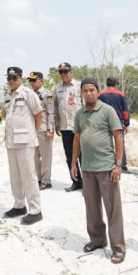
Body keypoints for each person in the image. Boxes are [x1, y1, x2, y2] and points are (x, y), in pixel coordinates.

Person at [71, 78, 126, 264]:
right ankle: (97, 240)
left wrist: (118, 164)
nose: (88, 93)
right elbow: (77, 139)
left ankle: (118, 248)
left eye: (92, 90)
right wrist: (73, 164)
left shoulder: (107, 111)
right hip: (87, 168)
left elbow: (118, 137)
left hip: (106, 168)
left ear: (98, 91)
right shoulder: (79, 114)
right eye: (85, 90)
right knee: (92, 207)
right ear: (81, 92)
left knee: (113, 210)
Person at [2, 67, 44, 225]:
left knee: (29, 175)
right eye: (9, 78)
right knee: (15, 176)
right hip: (11, 141)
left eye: (14, 78)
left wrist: (34, 132)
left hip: (25, 141)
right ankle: (19, 205)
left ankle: (35, 210)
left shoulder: (28, 93)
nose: (11, 81)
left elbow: (38, 114)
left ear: (21, 78)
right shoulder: (8, 96)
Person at [54, 62, 84, 192]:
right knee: (70, 157)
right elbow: (55, 107)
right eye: (61, 72)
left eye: (65, 71)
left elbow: (85, 105)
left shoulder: (79, 86)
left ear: (71, 72)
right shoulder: (56, 88)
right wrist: (56, 124)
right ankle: (76, 182)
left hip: (80, 127)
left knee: (83, 156)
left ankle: (88, 184)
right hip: (65, 127)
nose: (63, 74)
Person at [28, 71, 55, 190]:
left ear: (41, 81)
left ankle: (46, 180)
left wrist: (50, 129)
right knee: (34, 157)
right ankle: (38, 179)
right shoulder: (29, 94)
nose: (32, 83)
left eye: (34, 80)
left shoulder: (47, 94)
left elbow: (51, 112)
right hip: (32, 130)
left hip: (44, 130)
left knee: (46, 157)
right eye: (30, 80)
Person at [98, 77, 131, 173]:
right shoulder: (121, 94)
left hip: (104, 121)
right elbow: (125, 110)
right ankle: (123, 166)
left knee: (104, 143)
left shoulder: (101, 95)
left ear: (107, 84)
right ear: (116, 84)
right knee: (120, 143)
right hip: (118, 121)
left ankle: (104, 164)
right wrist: (126, 123)